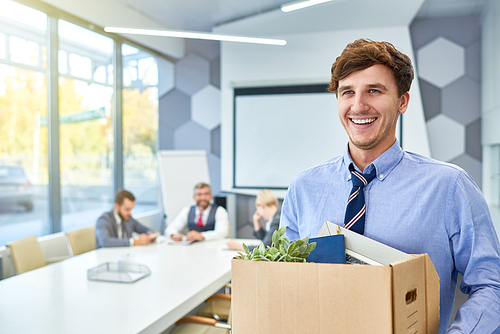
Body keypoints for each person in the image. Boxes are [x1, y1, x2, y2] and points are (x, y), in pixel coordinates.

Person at [280, 38, 500, 333]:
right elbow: (285, 280)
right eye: (347, 92)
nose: (358, 105)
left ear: (402, 102)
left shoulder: (449, 187)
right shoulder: (303, 188)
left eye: (374, 90)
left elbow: (491, 284)